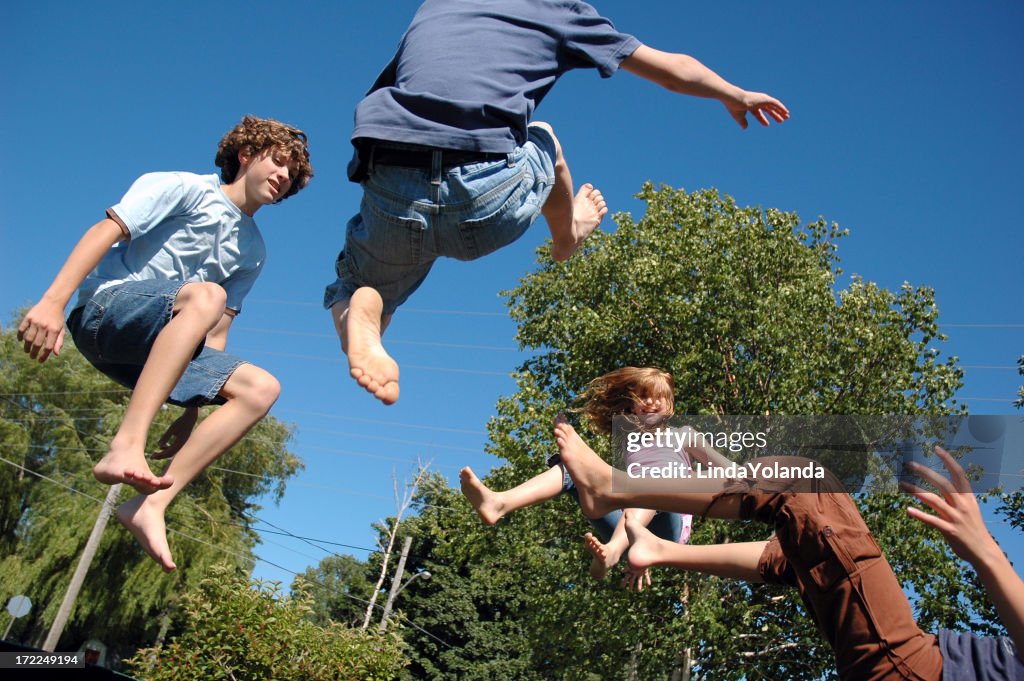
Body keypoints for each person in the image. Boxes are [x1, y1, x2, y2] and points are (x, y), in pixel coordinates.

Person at [325, 0, 790, 405]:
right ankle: (567, 236)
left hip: (393, 186)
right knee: (543, 136)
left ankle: (363, 317)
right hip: (485, 196)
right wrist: (735, 93)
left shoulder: (436, 5)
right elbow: (671, 70)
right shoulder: (559, 9)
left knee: (352, 287)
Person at [17, 116, 313, 571]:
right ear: (246, 155)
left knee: (261, 389)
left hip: (150, 351)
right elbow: (105, 232)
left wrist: (192, 405)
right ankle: (126, 443)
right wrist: (51, 303)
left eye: (291, 174)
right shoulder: (186, 188)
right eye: (277, 163)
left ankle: (151, 504)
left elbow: (214, 336)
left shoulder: (253, 250)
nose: (282, 176)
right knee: (206, 294)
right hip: (104, 315)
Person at [554, 418, 1024, 681]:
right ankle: (658, 550)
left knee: (801, 486)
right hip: (915, 662)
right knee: (795, 553)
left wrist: (984, 550)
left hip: (923, 671)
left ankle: (612, 488)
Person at [461, 367, 726, 585]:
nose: (651, 403)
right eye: (644, 397)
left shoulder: (685, 436)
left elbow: (726, 469)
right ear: (633, 406)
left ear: (670, 406)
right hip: (627, 523)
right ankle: (499, 503)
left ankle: (620, 550)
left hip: (670, 528)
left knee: (657, 482)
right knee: (574, 471)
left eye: (660, 397)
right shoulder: (630, 440)